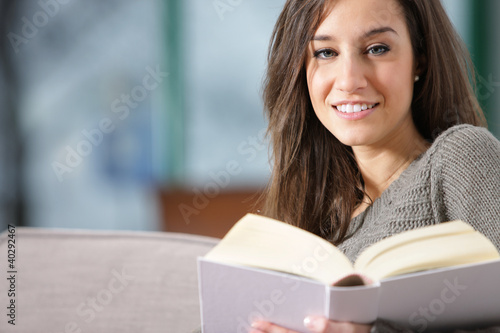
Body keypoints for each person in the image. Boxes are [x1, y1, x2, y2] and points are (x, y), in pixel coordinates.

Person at [250, 0, 500, 332]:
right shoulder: (310, 226)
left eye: (377, 48)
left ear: (419, 60)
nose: (349, 80)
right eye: (326, 53)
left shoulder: (461, 157)